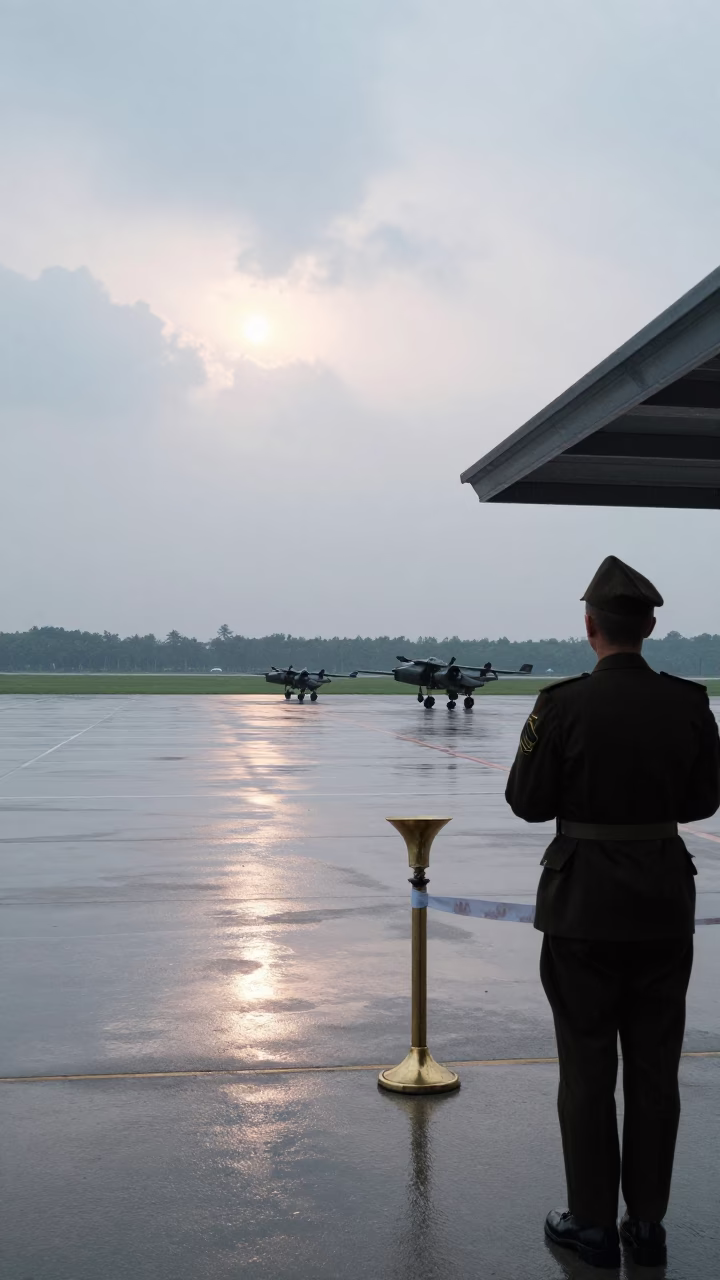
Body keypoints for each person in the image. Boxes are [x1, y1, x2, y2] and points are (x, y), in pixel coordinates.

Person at [506, 555, 720, 1269]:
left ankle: (592, 1225)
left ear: (591, 626)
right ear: (650, 625)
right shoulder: (689, 703)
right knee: (656, 1070)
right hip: (662, 903)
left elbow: (527, 802)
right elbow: (701, 802)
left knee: (588, 1068)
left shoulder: (561, 704)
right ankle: (648, 1226)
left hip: (582, 909)